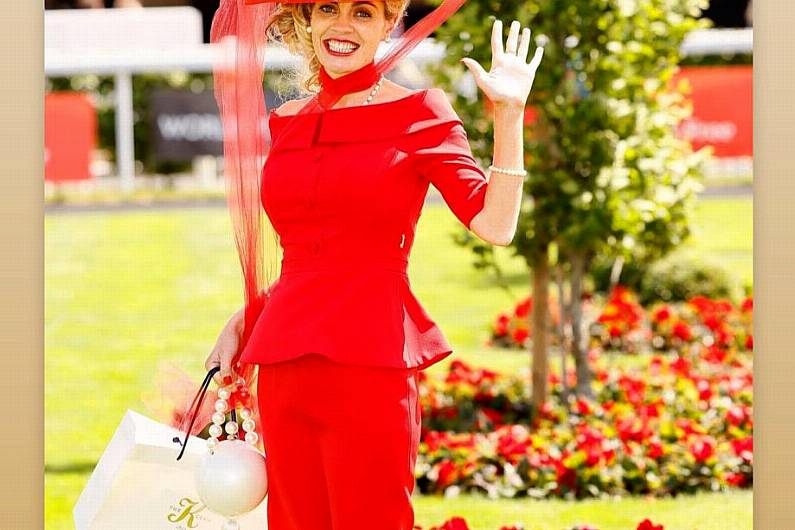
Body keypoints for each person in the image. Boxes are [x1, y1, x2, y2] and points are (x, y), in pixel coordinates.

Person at [201, 1, 543, 528]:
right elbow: (309, 249)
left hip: (372, 362)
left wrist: (510, 116)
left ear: (389, 24)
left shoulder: (420, 112)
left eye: (362, 12)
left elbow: (495, 226)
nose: (342, 25)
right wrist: (247, 317)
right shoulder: (287, 122)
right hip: (286, 365)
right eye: (327, 9)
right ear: (307, 20)